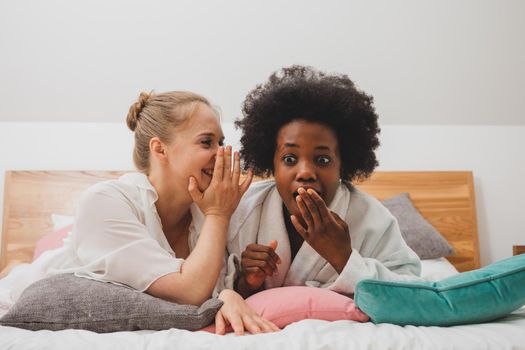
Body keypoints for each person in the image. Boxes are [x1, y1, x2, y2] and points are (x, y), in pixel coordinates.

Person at [1, 91, 278, 335]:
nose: (222, 154)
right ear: (160, 149)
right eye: (207, 142)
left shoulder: (205, 215)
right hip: (27, 296)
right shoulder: (104, 201)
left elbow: (211, 289)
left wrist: (241, 285)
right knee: (21, 268)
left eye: (221, 142)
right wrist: (219, 213)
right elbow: (191, 292)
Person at [224, 66, 422, 298]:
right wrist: (246, 283)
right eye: (289, 159)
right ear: (272, 164)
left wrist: (344, 258)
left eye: (323, 159)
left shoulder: (372, 218)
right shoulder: (242, 210)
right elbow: (213, 287)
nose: (306, 172)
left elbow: (413, 292)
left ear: (343, 164)